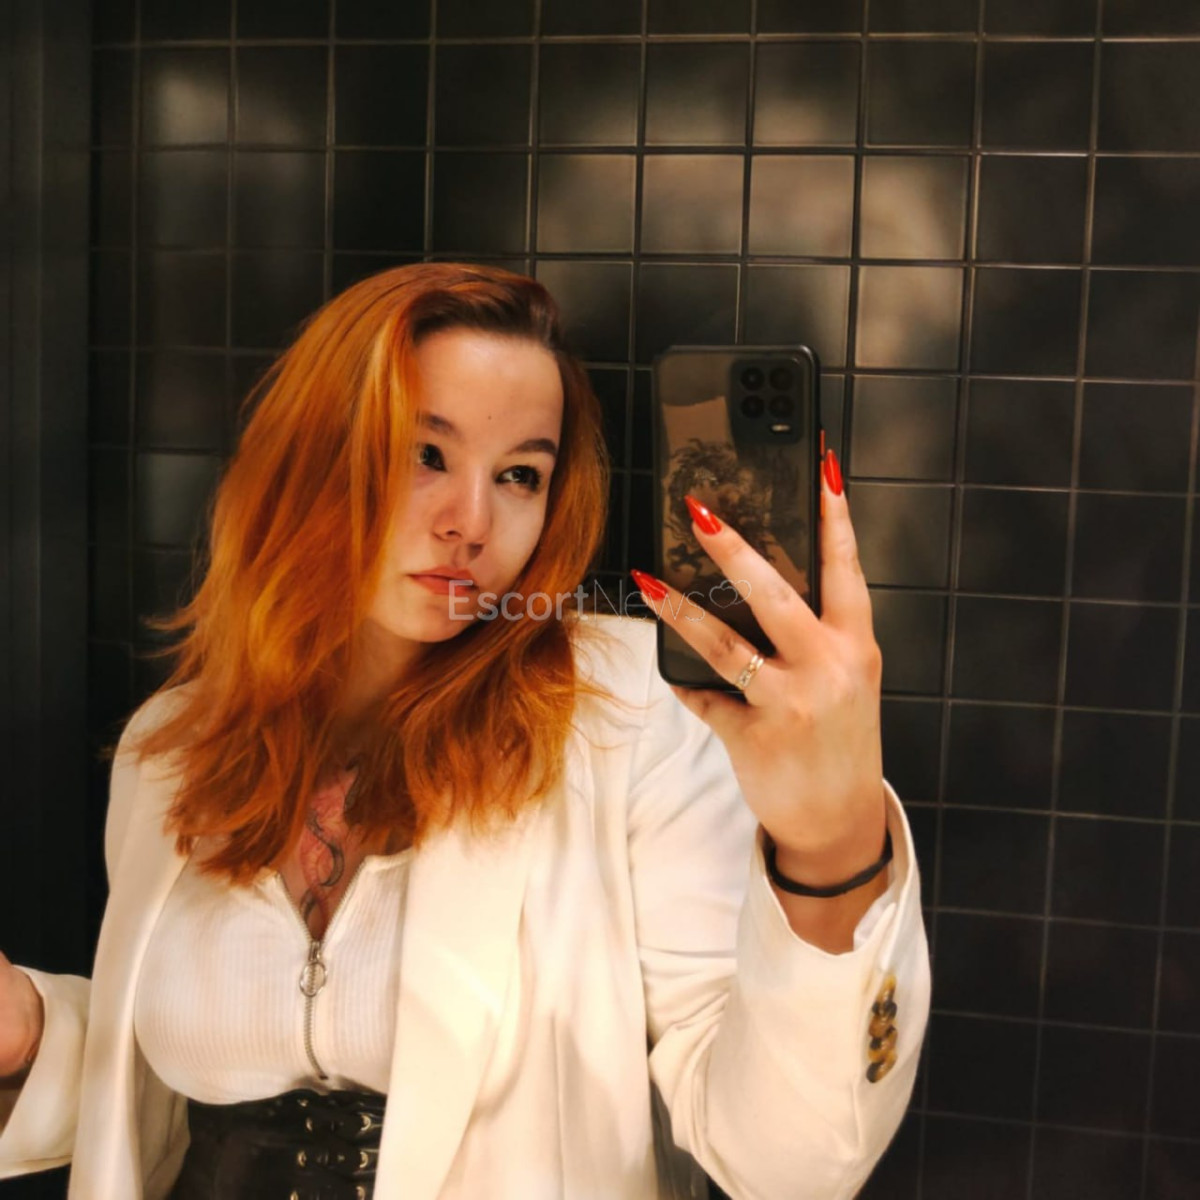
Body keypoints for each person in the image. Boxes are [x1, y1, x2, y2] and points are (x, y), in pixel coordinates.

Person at [0, 263, 930, 1199]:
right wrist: (28, 1035)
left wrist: (831, 847)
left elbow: (791, 1162)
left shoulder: (629, 713)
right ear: (308, 457)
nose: (472, 524)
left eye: (520, 474)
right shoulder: (175, 744)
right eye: (426, 454)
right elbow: (170, 1080)